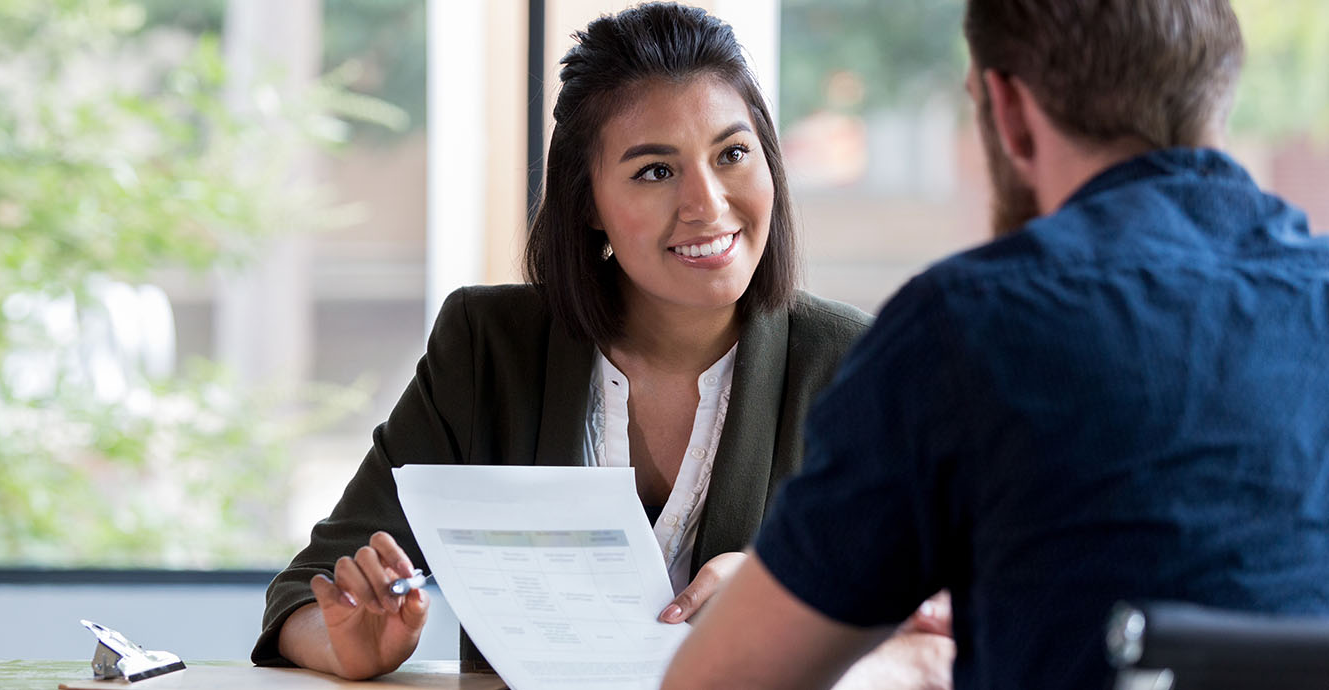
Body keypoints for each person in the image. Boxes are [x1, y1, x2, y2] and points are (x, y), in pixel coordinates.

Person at [251, 3, 948, 683]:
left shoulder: (854, 363)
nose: (708, 204)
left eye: (732, 153)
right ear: (586, 202)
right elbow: (304, 595)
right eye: (655, 170)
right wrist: (350, 645)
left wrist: (786, 597)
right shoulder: (488, 349)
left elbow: (947, 621)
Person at [664, 1, 1329, 689]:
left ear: (1006, 108)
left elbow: (718, 681)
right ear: (1222, 83)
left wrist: (907, 653)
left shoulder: (966, 327)